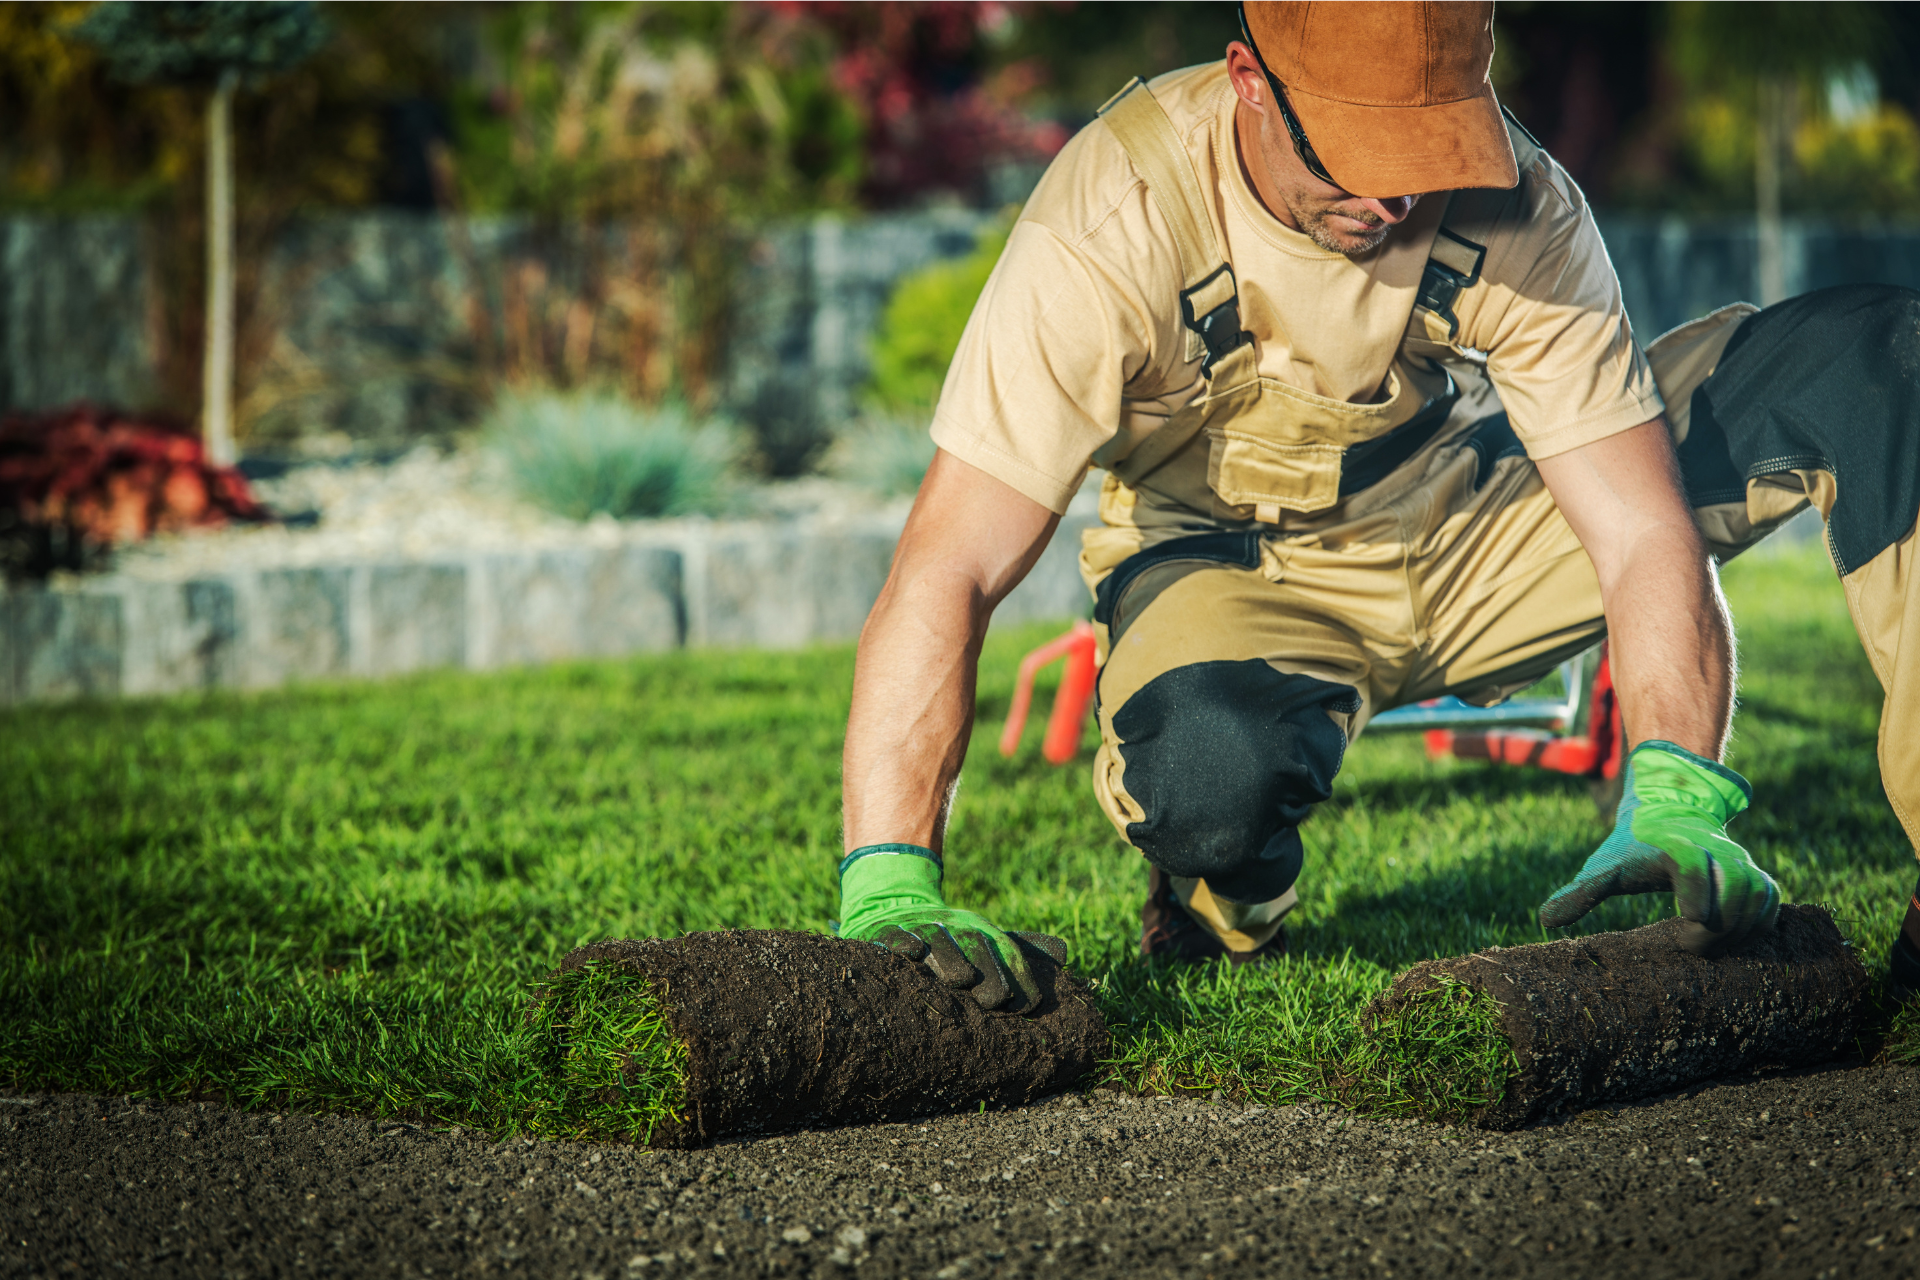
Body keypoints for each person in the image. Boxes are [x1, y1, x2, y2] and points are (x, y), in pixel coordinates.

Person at [832, 0, 1920, 1012]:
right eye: (1357, 156)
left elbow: (1637, 527)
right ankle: (1228, 895)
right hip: (1232, 565)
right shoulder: (1117, 212)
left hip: (1466, 519)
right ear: (1249, 79)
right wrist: (889, 877)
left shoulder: (1525, 205)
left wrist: (1680, 790)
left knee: (1872, 360)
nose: (1392, 201)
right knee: (1210, 780)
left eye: (1425, 155)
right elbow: (952, 563)